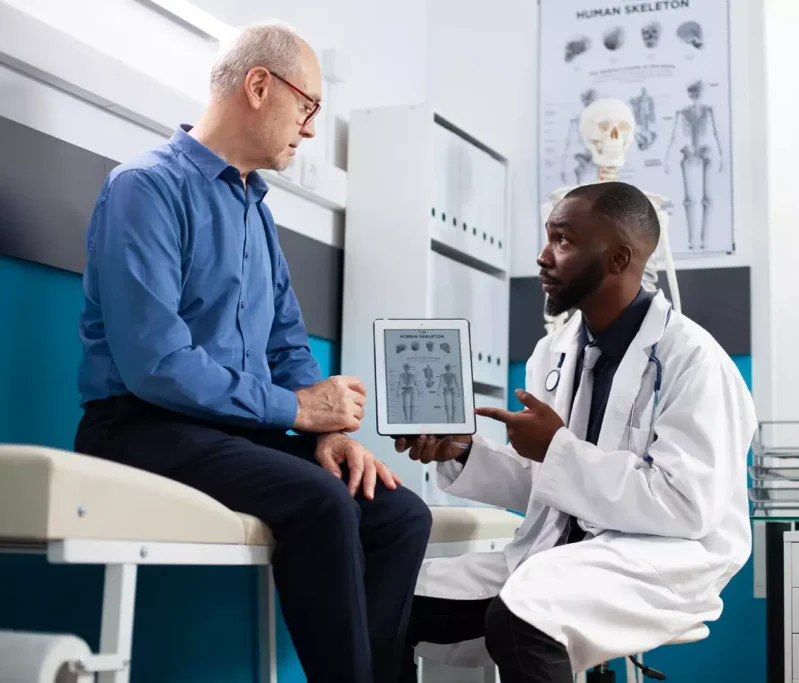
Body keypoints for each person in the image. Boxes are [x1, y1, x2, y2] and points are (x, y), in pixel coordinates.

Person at [73, 23, 431, 683]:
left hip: (230, 432)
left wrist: (325, 429)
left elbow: (286, 342)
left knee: (401, 513)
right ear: (259, 86)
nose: (313, 128)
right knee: (322, 504)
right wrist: (294, 407)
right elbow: (155, 363)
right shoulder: (144, 188)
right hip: (137, 425)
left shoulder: (255, 211)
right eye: (308, 106)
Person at [394, 181, 756, 682]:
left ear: (618, 259)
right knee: (391, 599)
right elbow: (550, 484)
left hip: (663, 559)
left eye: (563, 241)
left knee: (524, 617)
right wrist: (463, 451)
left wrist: (557, 448)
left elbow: (686, 505)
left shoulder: (694, 361)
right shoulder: (554, 353)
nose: (543, 257)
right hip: (557, 549)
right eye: (548, 238)